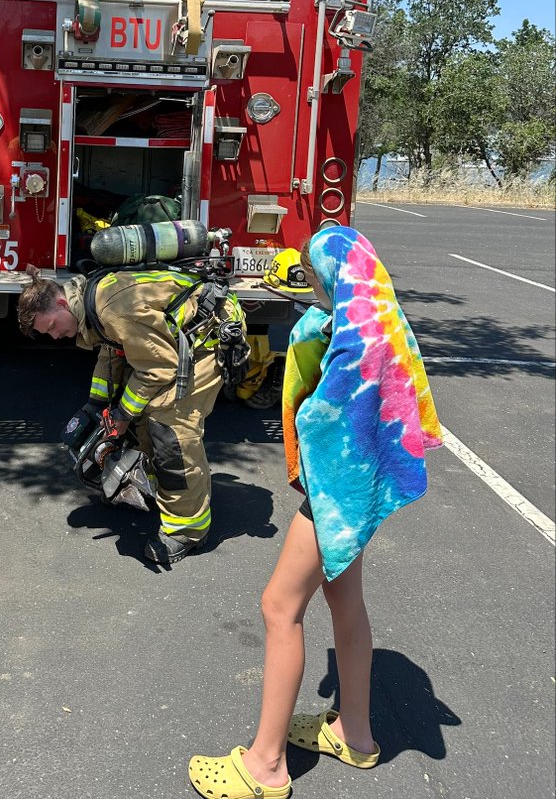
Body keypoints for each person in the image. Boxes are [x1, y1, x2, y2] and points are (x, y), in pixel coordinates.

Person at [187, 226, 442, 799]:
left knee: (279, 606)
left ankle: (266, 765)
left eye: (316, 281)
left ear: (331, 275)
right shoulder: (376, 320)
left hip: (337, 487)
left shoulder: (357, 345)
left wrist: (309, 417)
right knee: (344, 599)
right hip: (358, 487)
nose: (317, 291)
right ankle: (355, 734)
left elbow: (326, 416)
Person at [17, 261, 246, 565]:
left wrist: (123, 414)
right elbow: (114, 349)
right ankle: (150, 485)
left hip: (207, 337)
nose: (55, 336)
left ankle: (187, 529)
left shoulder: (113, 307)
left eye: (52, 327)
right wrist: (97, 405)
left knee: (169, 427)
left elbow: (158, 366)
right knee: (137, 413)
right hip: (172, 344)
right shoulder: (91, 302)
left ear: (61, 302)